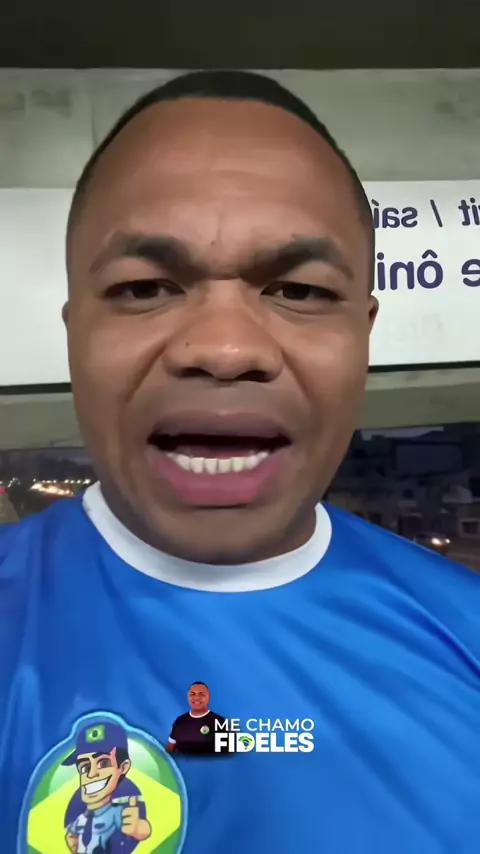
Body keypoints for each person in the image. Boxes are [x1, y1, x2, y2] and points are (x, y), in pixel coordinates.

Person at [1, 70, 479, 854]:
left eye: (299, 290)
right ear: (72, 330)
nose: (225, 349)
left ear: (364, 334)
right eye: (144, 287)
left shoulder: (465, 634)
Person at [62, 722, 151, 853]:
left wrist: (137, 828)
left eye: (103, 763)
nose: (91, 774)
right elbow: (72, 834)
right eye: (85, 767)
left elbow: (142, 829)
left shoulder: (116, 813)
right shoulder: (81, 819)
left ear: (123, 767)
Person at [166, 682, 227, 755]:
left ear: (208, 698)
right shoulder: (180, 721)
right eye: (192, 694)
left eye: (201, 694)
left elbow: (225, 754)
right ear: (188, 697)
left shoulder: (219, 722)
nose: (197, 698)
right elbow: (170, 747)